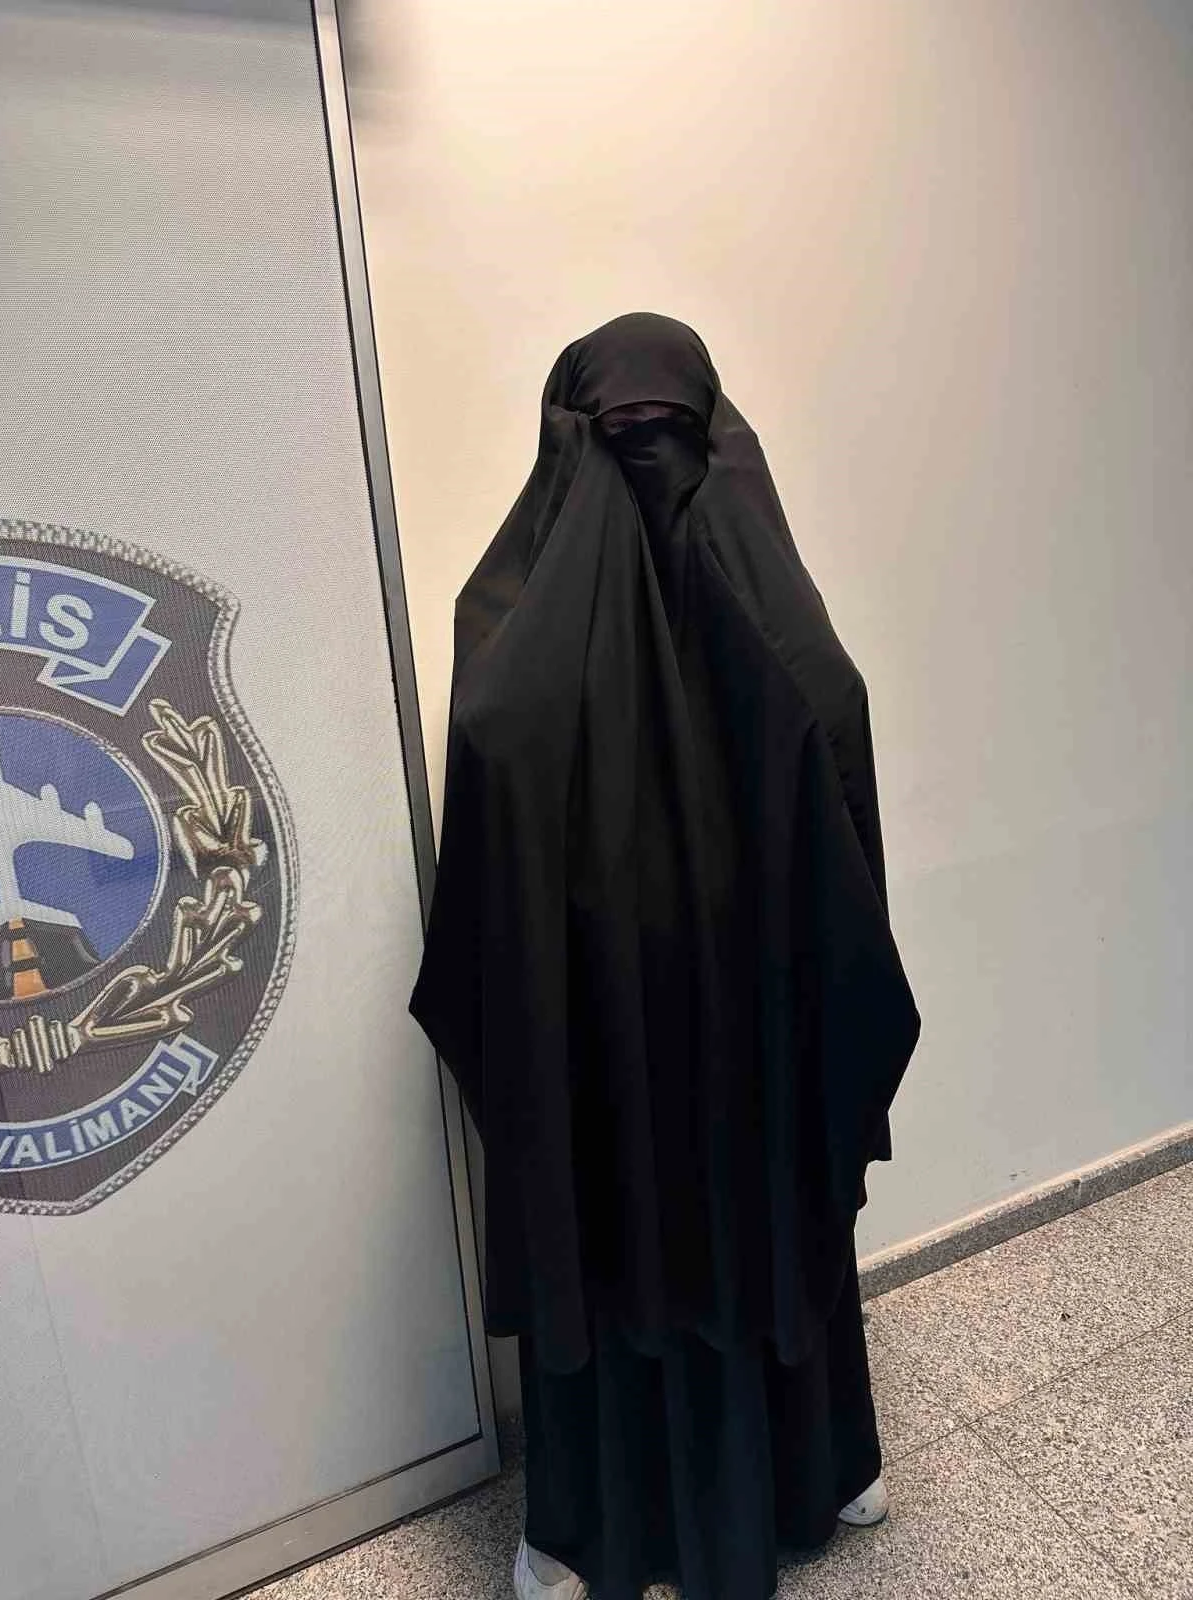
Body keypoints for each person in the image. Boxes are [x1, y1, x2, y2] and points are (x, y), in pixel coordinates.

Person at [410, 313, 920, 1600]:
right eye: (628, 436)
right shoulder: (775, 619)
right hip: (721, 1021)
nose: (648, 457)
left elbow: (496, 759)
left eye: (664, 435)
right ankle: (820, 1467)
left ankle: (586, 1529)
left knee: (616, 1221)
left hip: (608, 1026)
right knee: (760, 1210)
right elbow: (836, 737)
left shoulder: (510, 630)